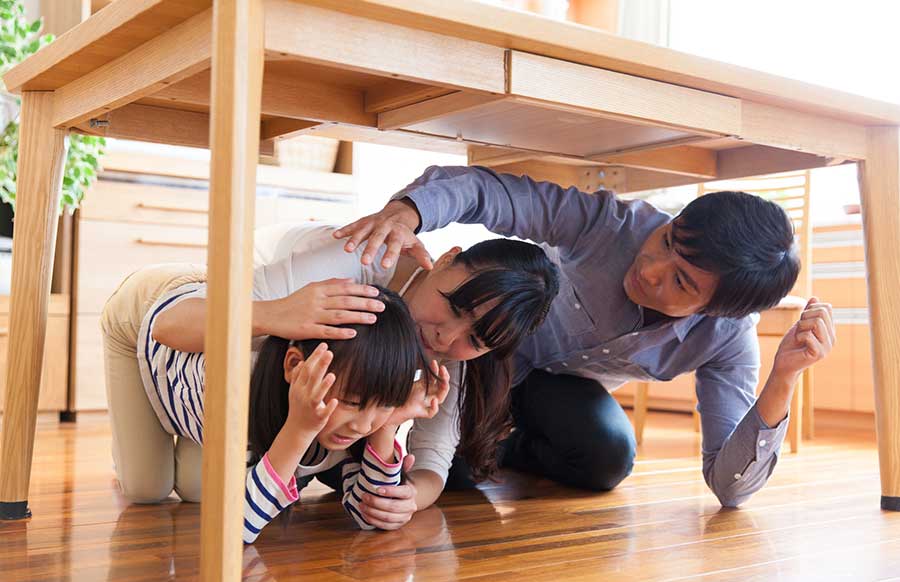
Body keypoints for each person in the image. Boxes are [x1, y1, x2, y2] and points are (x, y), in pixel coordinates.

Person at [332, 165, 836, 515]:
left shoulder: (727, 342)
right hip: (489, 349)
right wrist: (408, 213)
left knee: (607, 458)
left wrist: (784, 377)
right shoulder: (612, 224)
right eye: (665, 241)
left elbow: (729, 488)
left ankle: (494, 443)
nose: (651, 268)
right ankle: (473, 444)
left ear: (717, 312)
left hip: (558, 388)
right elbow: (491, 191)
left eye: (681, 282)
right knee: (454, 477)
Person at [105, 224, 559, 532]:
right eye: (456, 308)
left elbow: (432, 458)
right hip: (162, 314)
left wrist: (411, 498)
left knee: (202, 487)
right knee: (147, 488)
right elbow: (165, 326)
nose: (446, 337)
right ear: (447, 259)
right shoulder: (348, 265)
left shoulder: (449, 354)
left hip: (239, 391)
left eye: (476, 340)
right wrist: (276, 314)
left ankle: (207, 440)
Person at [102, 268, 450, 543]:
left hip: (204, 399)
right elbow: (233, 531)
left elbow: (369, 515)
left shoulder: (356, 412)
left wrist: (389, 423)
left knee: (197, 491)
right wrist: (299, 429)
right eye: (352, 402)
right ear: (294, 365)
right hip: (151, 316)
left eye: (385, 404)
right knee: (147, 488)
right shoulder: (233, 385)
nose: (363, 425)